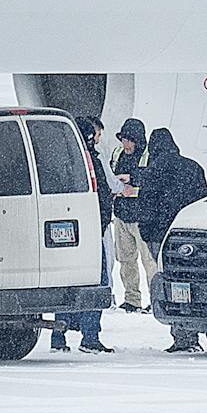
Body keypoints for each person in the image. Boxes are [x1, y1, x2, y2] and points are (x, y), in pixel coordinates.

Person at [137, 127, 207, 352]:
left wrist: (147, 234)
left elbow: (145, 207)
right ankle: (192, 332)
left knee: (172, 285)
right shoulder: (193, 168)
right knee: (192, 283)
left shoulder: (152, 172)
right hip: (189, 237)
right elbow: (203, 201)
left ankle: (180, 334)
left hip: (161, 237)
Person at [52, 116, 116, 353]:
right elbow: (101, 195)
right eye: (96, 135)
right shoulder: (90, 160)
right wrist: (101, 222)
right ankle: (90, 336)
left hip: (64, 232)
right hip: (89, 231)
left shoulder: (59, 158)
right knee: (95, 284)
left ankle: (58, 336)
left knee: (65, 284)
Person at [109, 118, 154, 312]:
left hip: (141, 216)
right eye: (123, 140)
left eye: (129, 140)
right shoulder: (117, 153)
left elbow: (151, 178)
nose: (125, 144)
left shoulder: (148, 155)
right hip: (121, 215)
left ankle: (155, 299)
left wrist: (132, 181)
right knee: (126, 261)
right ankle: (132, 299)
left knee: (149, 262)